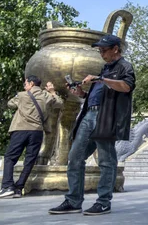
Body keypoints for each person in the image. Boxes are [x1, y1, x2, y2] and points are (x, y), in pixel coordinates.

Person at [49, 34, 135, 216]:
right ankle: (73, 201)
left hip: (106, 116)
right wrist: (80, 92)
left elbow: (126, 87)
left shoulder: (124, 66)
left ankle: (103, 202)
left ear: (115, 49)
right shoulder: (104, 68)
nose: (101, 53)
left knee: (106, 160)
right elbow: (95, 94)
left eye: (103, 50)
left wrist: (100, 79)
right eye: (99, 50)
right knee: (75, 157)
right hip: (90, 114)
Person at [0, 77, 63, 199]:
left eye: (25, 83)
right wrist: (52, 92)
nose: (24, 85)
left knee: (10, 158)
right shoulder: (46, 96)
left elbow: (10, 104)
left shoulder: (21, 95)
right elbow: (59, 103)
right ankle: (18, 188)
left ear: (31, 84)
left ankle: (7, 187)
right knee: (29, 160)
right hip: (37, 132)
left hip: (20, 130)